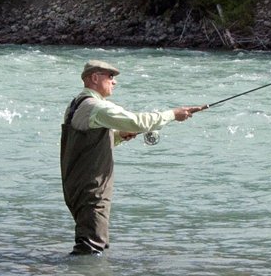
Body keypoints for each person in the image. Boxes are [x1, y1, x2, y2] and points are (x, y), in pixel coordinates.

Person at [60, 59, 207, 256]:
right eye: (110, 76)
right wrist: (173, 114)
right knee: (90, 249)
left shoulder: (74, 105)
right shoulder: (96, 107)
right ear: (95, 78)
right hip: (91, 190)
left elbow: (84, 144)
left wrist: (119, 136)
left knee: (93, 243)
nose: (115, 82)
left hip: (76, 187)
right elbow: (138, 122)